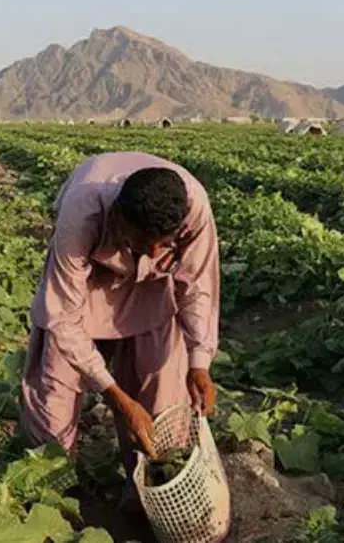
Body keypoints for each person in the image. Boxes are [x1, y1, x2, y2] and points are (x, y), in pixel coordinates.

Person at [20, 151, 219, 510]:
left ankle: (146, 498)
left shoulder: (195, 210)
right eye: (144, 240)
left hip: (152, 287)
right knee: (55, 396)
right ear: (120, 218)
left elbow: (198, 286)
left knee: (160, 398)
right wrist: (114, 395)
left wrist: (200, 361)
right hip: (90, 282)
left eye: (164, 242)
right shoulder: (83, 213)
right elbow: (63, 316)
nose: (154, 250)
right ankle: (52, 500)